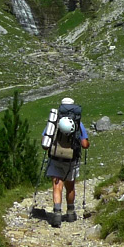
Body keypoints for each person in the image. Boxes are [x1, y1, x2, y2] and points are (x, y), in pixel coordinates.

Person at [44, 97, 89, 228]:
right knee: (70, 187)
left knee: (57, 186)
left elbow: (45, 142)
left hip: (55, 158)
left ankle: (57, 214)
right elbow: (85, 144)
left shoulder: (54, 121)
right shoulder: (78, 123)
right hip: (71, 161)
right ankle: (70, 212)